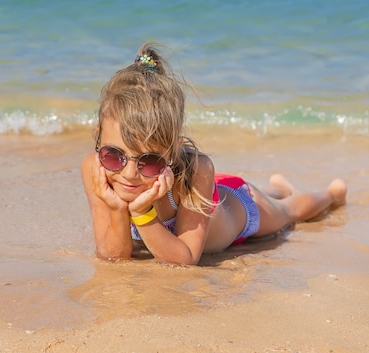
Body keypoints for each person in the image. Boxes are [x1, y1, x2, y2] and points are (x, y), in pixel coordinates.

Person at [81, 42, 347, 265]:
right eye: (114, 156)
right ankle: (277, 186)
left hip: (239, 209)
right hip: (208, 198)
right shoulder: (95, 170)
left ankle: (331, 194)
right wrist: (117, 210)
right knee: (274, 198)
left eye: (149, 162)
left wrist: (141, 214)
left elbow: (184, 258)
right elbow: (111, 255)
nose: (128, 174)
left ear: (172, 151)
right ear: (98, 137)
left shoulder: (197, 169)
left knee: (289, 211)